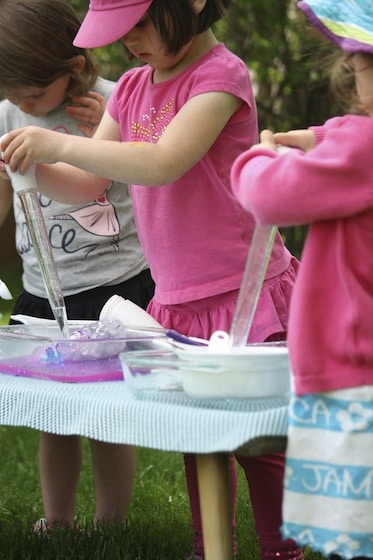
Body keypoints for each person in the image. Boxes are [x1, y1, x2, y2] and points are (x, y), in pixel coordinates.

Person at [0, 1, 302, 558]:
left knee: (258, 440)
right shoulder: (135, 86)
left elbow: (164, 161)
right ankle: (207, 544)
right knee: (196, 434)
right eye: (120, 32)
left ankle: (280, 550)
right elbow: (93, 182)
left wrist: (59, 142)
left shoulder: (221, 77)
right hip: (180, 298)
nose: (128, 43)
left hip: (242, 290)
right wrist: (35, 168)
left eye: (138, 25)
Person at [0, 0, 154, 532]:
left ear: (72, 68)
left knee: (108, 417)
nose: (24, 104)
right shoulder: (8, 114)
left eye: (34, 95)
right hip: (45, 291)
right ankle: (57, 520)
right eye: (13, 94)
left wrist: (103, 136)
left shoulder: (115, 103)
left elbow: (142, 173)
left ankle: (111, 524)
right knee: (52, 415)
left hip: (115, 287)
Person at [230, 1, 373, 559]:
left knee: (353, 530)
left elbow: (268, 199)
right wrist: (320, 138)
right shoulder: (357, 147)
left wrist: (256, 158)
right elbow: (348, 146)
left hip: (352, 372)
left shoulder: (362, 148)